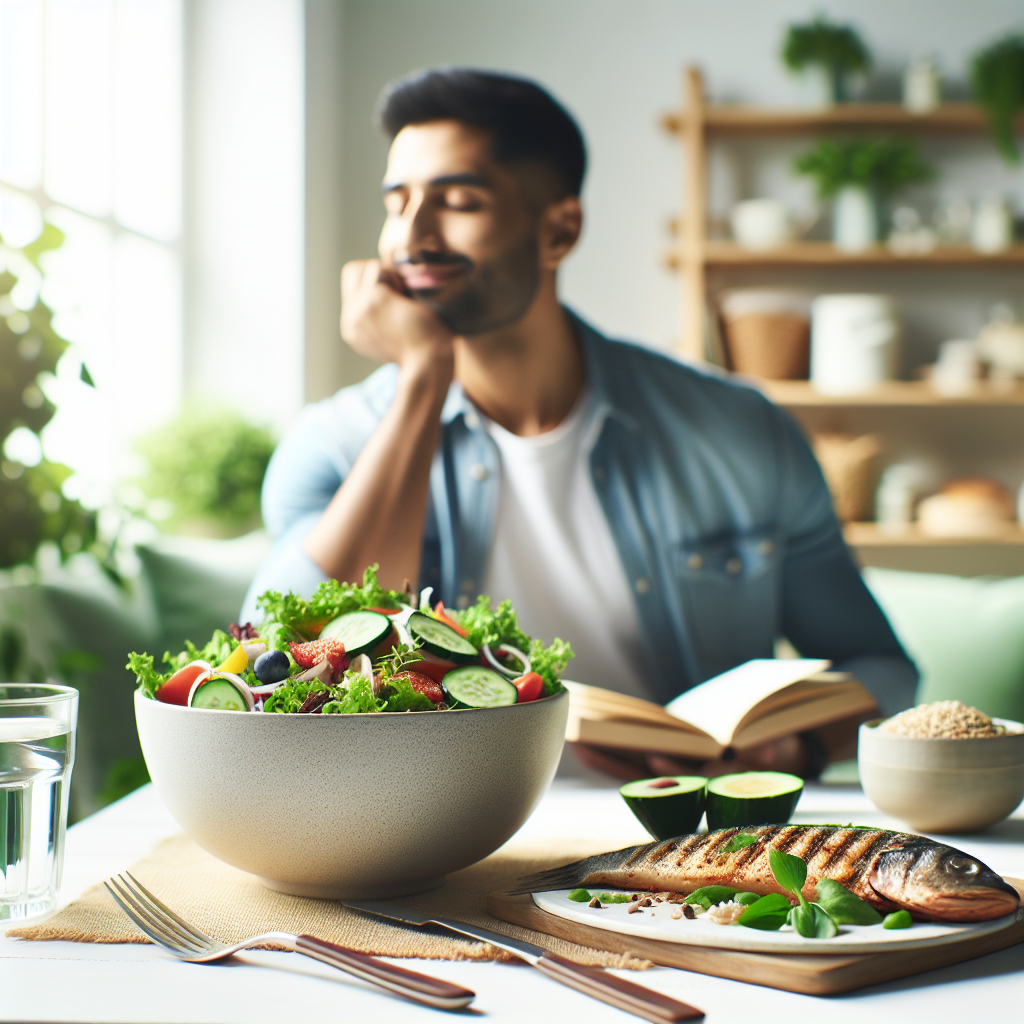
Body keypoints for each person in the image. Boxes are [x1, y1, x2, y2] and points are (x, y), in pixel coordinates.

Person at [241, 68, 917, 780]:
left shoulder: (739, 430)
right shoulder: (336, 442)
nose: (411, 237)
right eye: (397, 202)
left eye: (459, 202)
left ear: (559, 228)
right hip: (435, 834)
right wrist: (421, 382)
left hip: (685, 838)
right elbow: (285, 672)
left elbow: (880, 669)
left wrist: (797, 745)